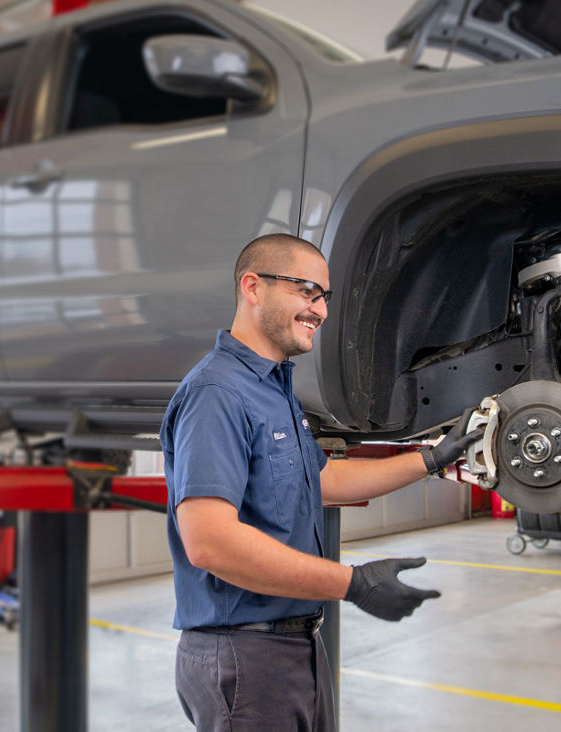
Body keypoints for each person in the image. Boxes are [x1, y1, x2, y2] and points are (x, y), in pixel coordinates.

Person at [160, 233, 479, 731]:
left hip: (293, 648)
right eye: (307, 290)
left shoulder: (273, 387)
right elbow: (209, 542)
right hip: (244, 656)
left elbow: (323, 477)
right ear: (253, 287)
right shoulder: (217, 393)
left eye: (324, 296)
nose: (322, 310)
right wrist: (353, 584)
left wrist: (431, 458)